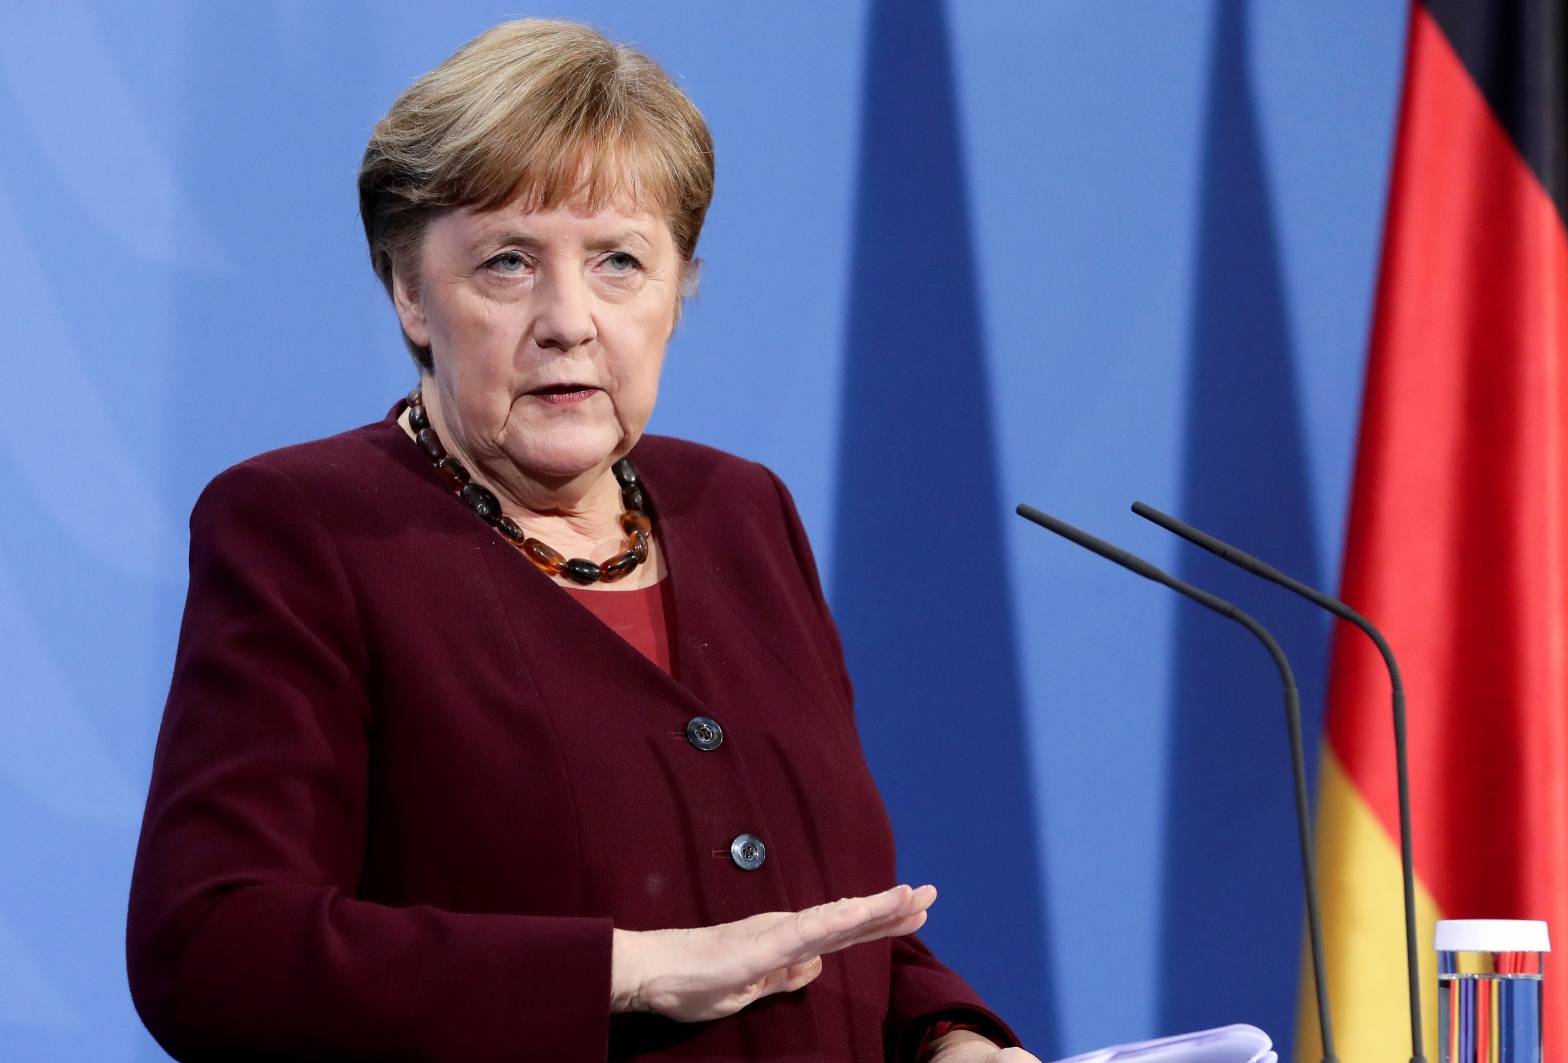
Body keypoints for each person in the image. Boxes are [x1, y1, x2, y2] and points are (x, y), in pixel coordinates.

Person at [125, 18, 1043, 1063]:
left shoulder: (742, 513)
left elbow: (800, 901)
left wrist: (947, 1032)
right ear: (410, 292)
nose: (570, 320)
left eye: (618, 261)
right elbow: (211, 948)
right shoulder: (311, 528)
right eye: (508, 263)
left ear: (676, 291)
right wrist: (632, 969)